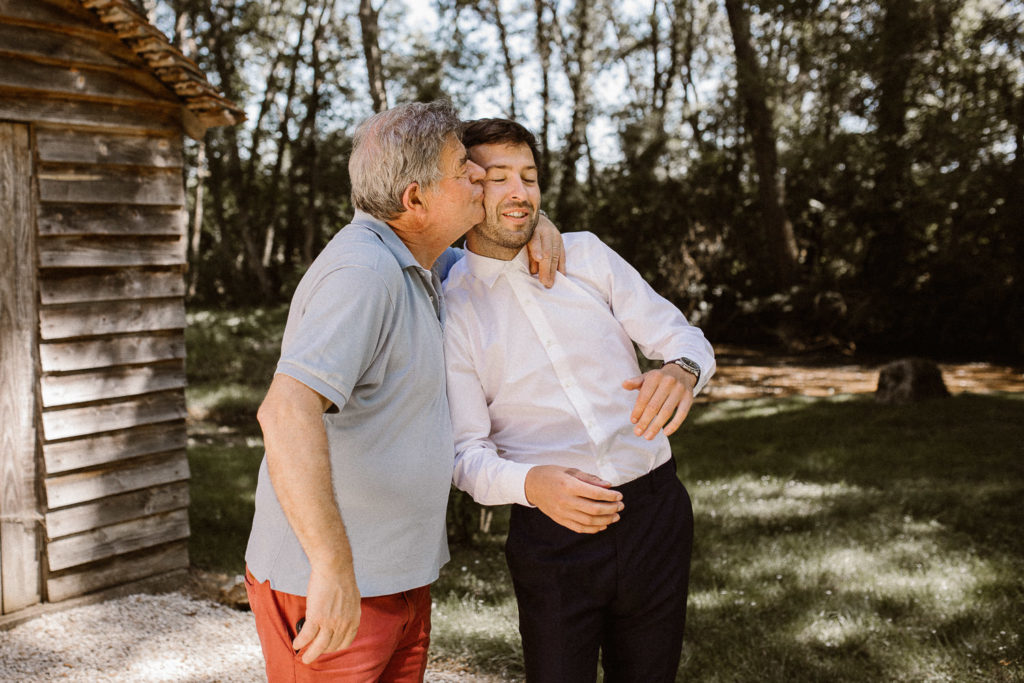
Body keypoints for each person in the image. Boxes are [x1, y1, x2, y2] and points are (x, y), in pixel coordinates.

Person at [243, 101, 564, 682]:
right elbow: (286, 410)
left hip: (397, 577)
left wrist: (535, 222)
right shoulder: (364, 275)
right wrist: (333, 566)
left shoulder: (418, 263)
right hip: (339, 588)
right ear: (415, 199)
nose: (480, 178)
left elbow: (492, 242)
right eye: (463, 168)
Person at [443, 118, 716, 683]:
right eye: (499, 178)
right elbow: (464, 454)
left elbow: (683, 338)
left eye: (530, 177)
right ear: (468, 188)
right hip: (553, 535)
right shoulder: (453, 309)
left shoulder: (588, 256)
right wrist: (531, 485)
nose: (520, 193)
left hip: (655, 514)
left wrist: (682, 371)